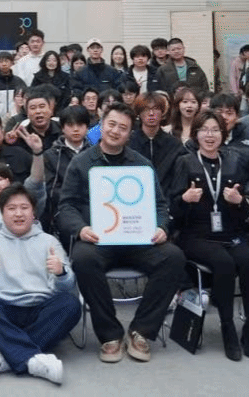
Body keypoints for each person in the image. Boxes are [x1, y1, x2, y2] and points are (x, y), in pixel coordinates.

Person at [57, 103, 185, 363]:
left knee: (173, 258)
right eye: (112, 124)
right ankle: (110, 335)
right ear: (101, 126)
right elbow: (66, 206)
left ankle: (142, 331)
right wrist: (81, 229)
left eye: (123, 128)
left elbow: (160, 205)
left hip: (137, 239)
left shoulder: (141, 164)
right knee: (82, 259)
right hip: (98, 240)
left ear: (130, 134)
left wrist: (162, 227)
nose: (116, 131)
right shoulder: (81, 163)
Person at [0, 183, 80, 384]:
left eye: (24, 207)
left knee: (70, 304)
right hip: (4, 311)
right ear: (2, 213)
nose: (18, 213)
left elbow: (67, 285)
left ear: (33, 212)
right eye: (11, 208)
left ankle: (7, 356)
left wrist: (61, 273)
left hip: (40, 309)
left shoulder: (49, 242)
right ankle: (32, 358)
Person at [170, 112, 249, 360]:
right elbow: (172, 210)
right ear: (195, 134)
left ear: (224, 134)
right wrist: (185, 199)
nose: (210, 135)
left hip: (230, 233)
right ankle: (227, 328)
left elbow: (247, 213)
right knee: (224, 263)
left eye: (215, 130)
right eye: (204, 130)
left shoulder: (234, 162)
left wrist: (239, 201)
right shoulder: (185, 162)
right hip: (195, 235)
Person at [42, 106, 90, 235]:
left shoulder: (95, 153)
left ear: (87, 127)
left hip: (91, 209)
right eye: (70, 125)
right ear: (62, 128)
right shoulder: (51, 155)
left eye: (80, 125)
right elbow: (52, 189)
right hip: (62, 210)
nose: (75, 129)